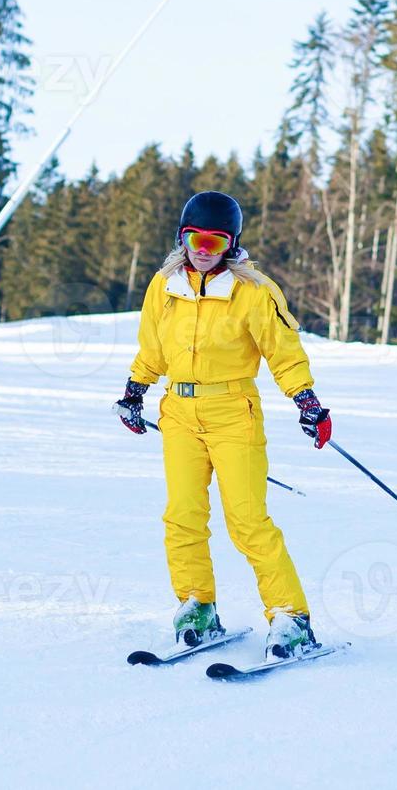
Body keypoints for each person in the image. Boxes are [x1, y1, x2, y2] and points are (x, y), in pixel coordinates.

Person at [115, 191, 326, 661]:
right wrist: (135, 390)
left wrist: (306, 401)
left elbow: (283, 351)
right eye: (195, 237)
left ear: (231, 243)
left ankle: (291, 618)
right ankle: (198, 606)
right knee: (182, 516)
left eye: (216, 239)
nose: (204, 247)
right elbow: (152, 347)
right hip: (179, 413)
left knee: (247, 521)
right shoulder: (163, 286)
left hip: (234, 412)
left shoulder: (253, 290)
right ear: (182, 237)